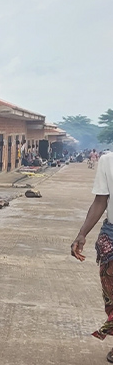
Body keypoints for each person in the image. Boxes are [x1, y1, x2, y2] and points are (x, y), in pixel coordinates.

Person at [71, 151, 113, 362]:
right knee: (112, 297)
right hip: (112, 238)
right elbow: (100, 201)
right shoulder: (107, 161)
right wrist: (82, 233)